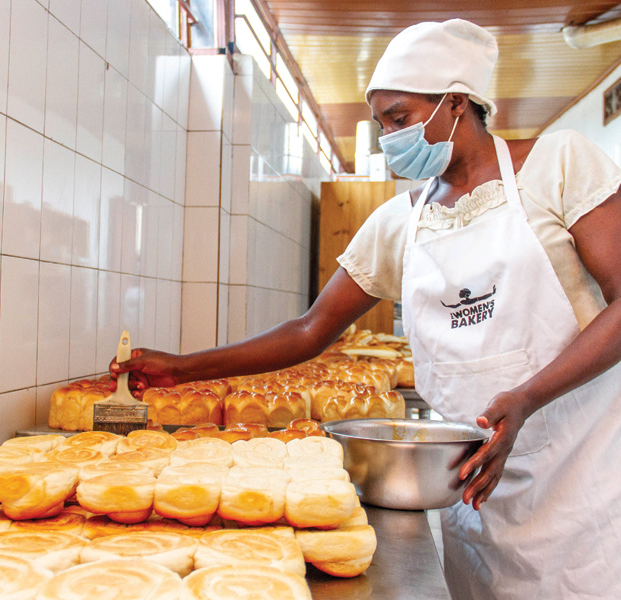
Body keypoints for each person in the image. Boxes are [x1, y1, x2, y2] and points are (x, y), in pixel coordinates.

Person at [111, 18, 621, 600]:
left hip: (577, 484)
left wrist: (526, 399)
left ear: (455, 103)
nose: (388, 139)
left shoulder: (559, 166)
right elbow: (311, 329)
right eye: (381, 123)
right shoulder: (399, 222)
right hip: (466, 490)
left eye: (399, 119)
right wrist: (183, 368)